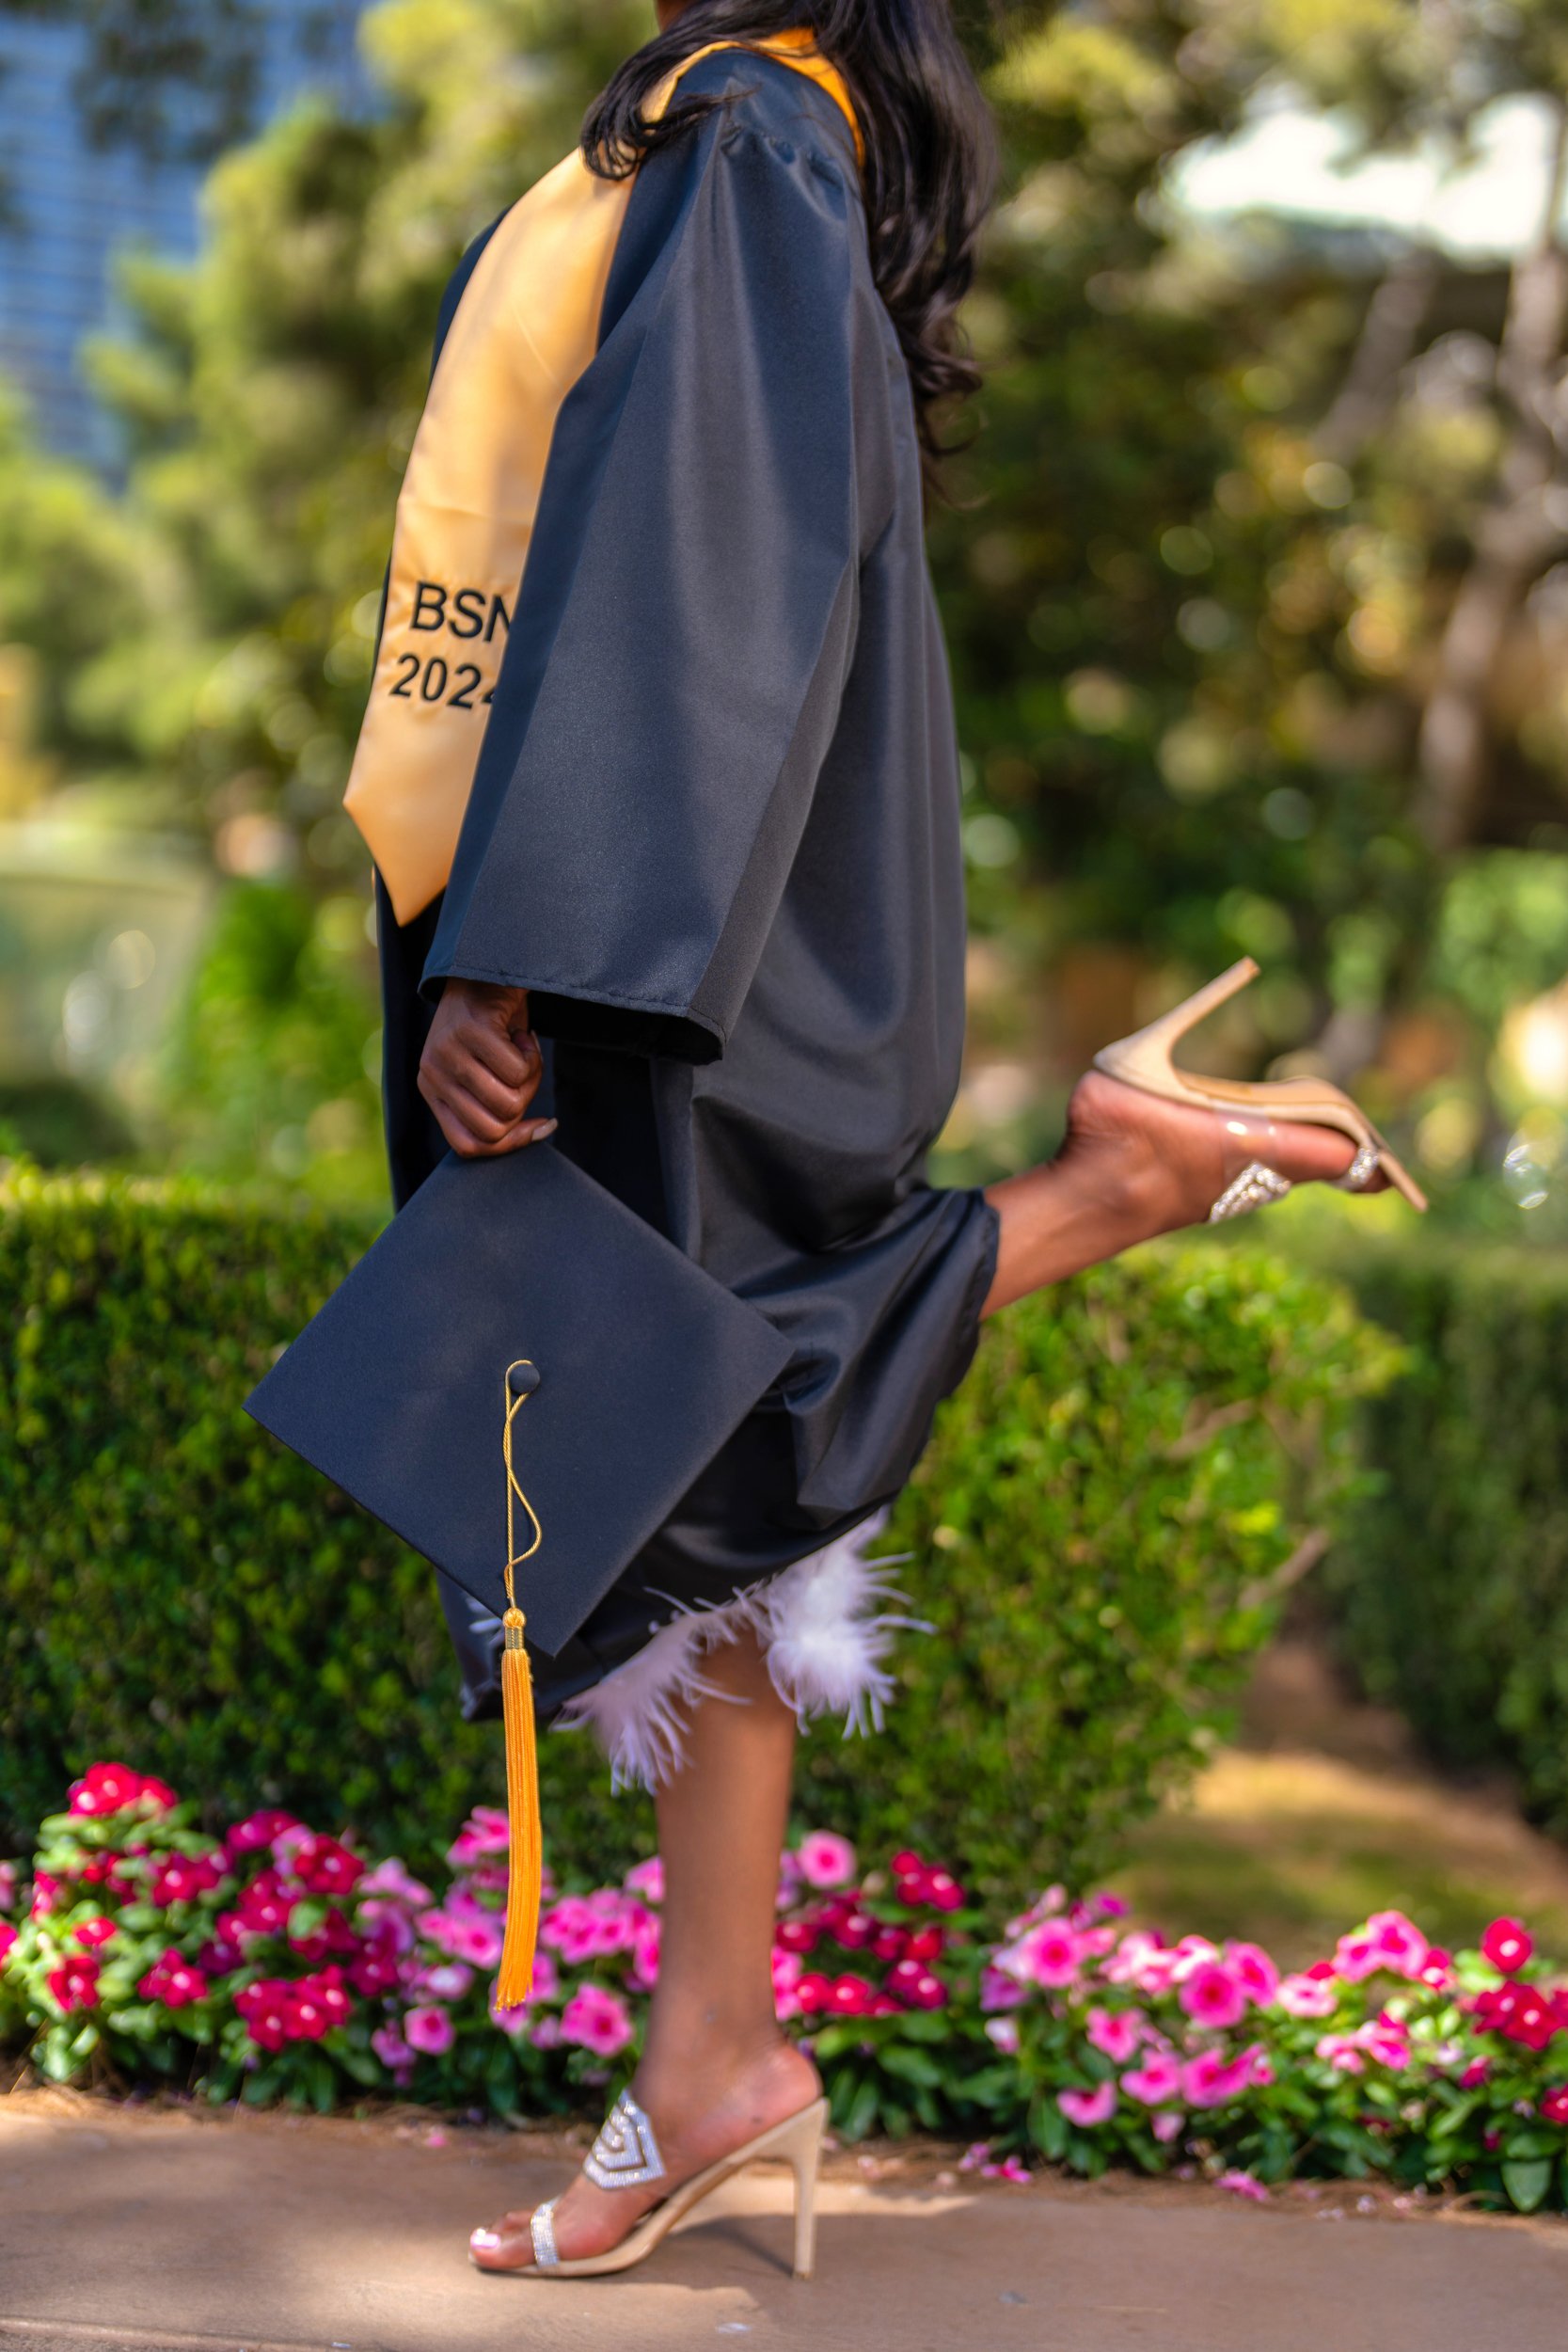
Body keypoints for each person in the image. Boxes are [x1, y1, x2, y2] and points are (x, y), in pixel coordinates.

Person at [345, 0, 1411, 2282]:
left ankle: (1113, 1180)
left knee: (679, 1406)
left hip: (664, 927)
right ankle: (716, 2049)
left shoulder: (745, 130)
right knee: (708, 1457)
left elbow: (680, 588)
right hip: (702, 906)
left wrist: (512, 956)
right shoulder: (752, 128)